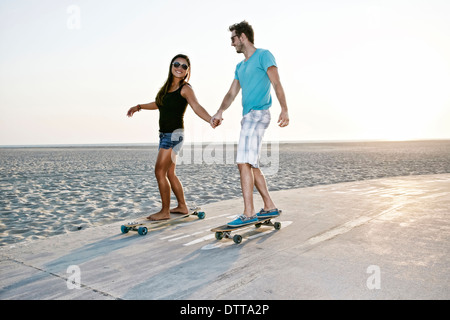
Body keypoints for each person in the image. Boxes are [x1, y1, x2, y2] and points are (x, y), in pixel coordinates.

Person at [212, 21, 289, 227]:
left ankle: (249, 212)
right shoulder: (240, 66)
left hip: (258, 114)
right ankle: (269, 205)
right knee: (251, 164)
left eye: (233, 38)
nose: (232, 43)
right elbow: (231, 93)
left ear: (243, 37)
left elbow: (276, 82)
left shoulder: (264, 55)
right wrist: (220, 111)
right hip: (248, 117)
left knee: (242, 162)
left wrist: (284, 109)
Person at [127, 54, 216, 221]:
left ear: (187, 71)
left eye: (184, 66)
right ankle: (182, 206)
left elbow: (196, 106)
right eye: (177, 64)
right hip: (165, 135)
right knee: (169, 172)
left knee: (159, 171)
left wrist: (210, 119)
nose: (179, 68)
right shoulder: (167, 87)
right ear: (171, 66)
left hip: (173, 136)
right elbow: (159, 104)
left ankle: (165, 212)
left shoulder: (185, 88)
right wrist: (139, 107)